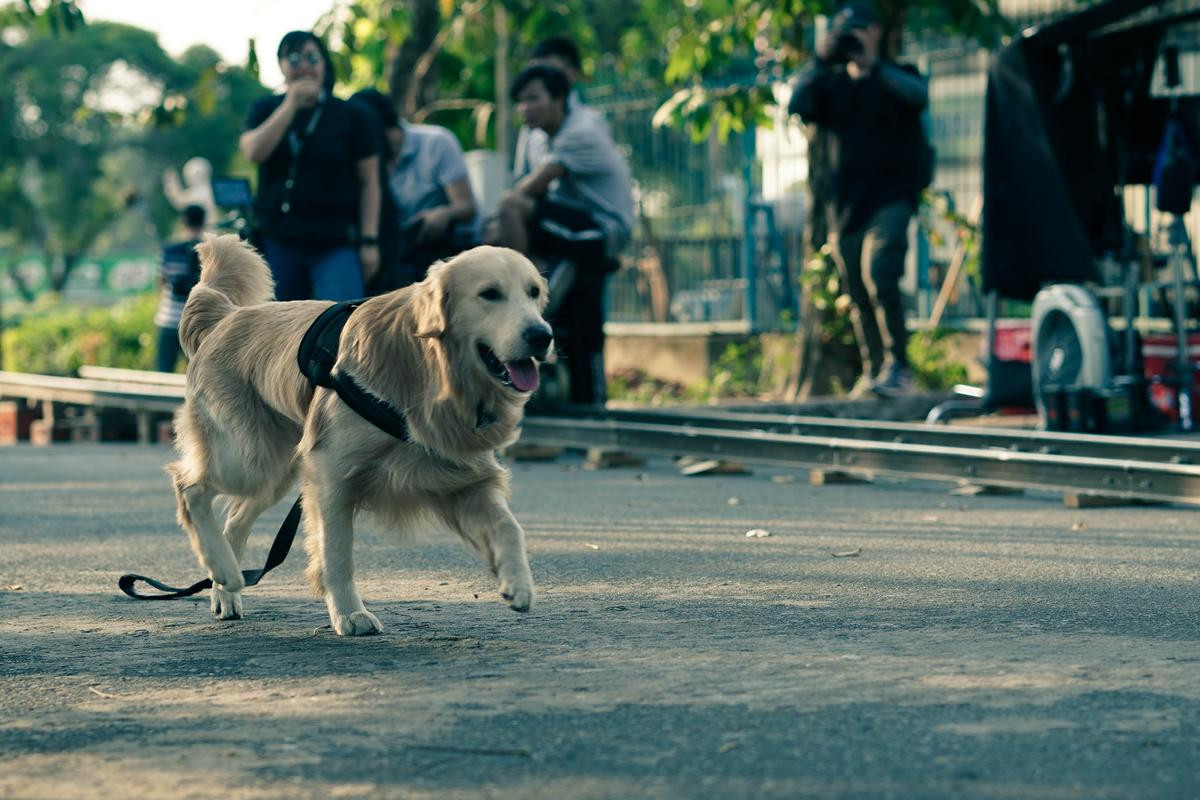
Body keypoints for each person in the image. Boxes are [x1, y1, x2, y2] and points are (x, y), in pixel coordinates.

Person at [789, 1, 930, 397]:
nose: (854, 39)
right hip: (844, 208)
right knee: (855, 292)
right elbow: (796, 104)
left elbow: (919, 98)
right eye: (846, 33)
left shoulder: (900, 77)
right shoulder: (830, 86)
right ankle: (874, 371)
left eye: (860, 31)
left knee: (880, 273)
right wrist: (819, 61)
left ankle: (899, 367)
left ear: (877, 33)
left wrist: (874, 65)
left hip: (891, 199)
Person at [490, 64, 634, 405]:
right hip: (571, 225)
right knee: (577, 317)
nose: (525, 108)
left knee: (511, 207)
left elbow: (528, 191)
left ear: (559, 99)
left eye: (533, 99)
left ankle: (516, 284)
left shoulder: (578, 132)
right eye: (521, 102)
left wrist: (499, 228)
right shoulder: (543, 136)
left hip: (601, 229)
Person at [240, 31, 380, 301]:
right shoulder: (265, 108)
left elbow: (369, 182)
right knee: (279, 330)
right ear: (281, 66)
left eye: (312, 58)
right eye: (293, 60)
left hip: (335, 241)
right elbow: (254, 151)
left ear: (324, 64)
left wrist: (369, 241)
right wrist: (290, 104)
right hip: (279, 241)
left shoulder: (351, 115)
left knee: (341, 322)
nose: (304, 66)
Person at [349, 88, 479, 290]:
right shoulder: (364, 160)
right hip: (396, 253)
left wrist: (442, 214)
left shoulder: (436, 143)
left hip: (444, 249)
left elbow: (467, 206)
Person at [154, 204, 206, 372]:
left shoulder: (169, 251)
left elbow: (161, 283)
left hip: (169, 319)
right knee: (197, 376)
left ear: (183, 222)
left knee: (163, 372)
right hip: (196, 323)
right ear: (204, 222)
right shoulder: (209, 251)